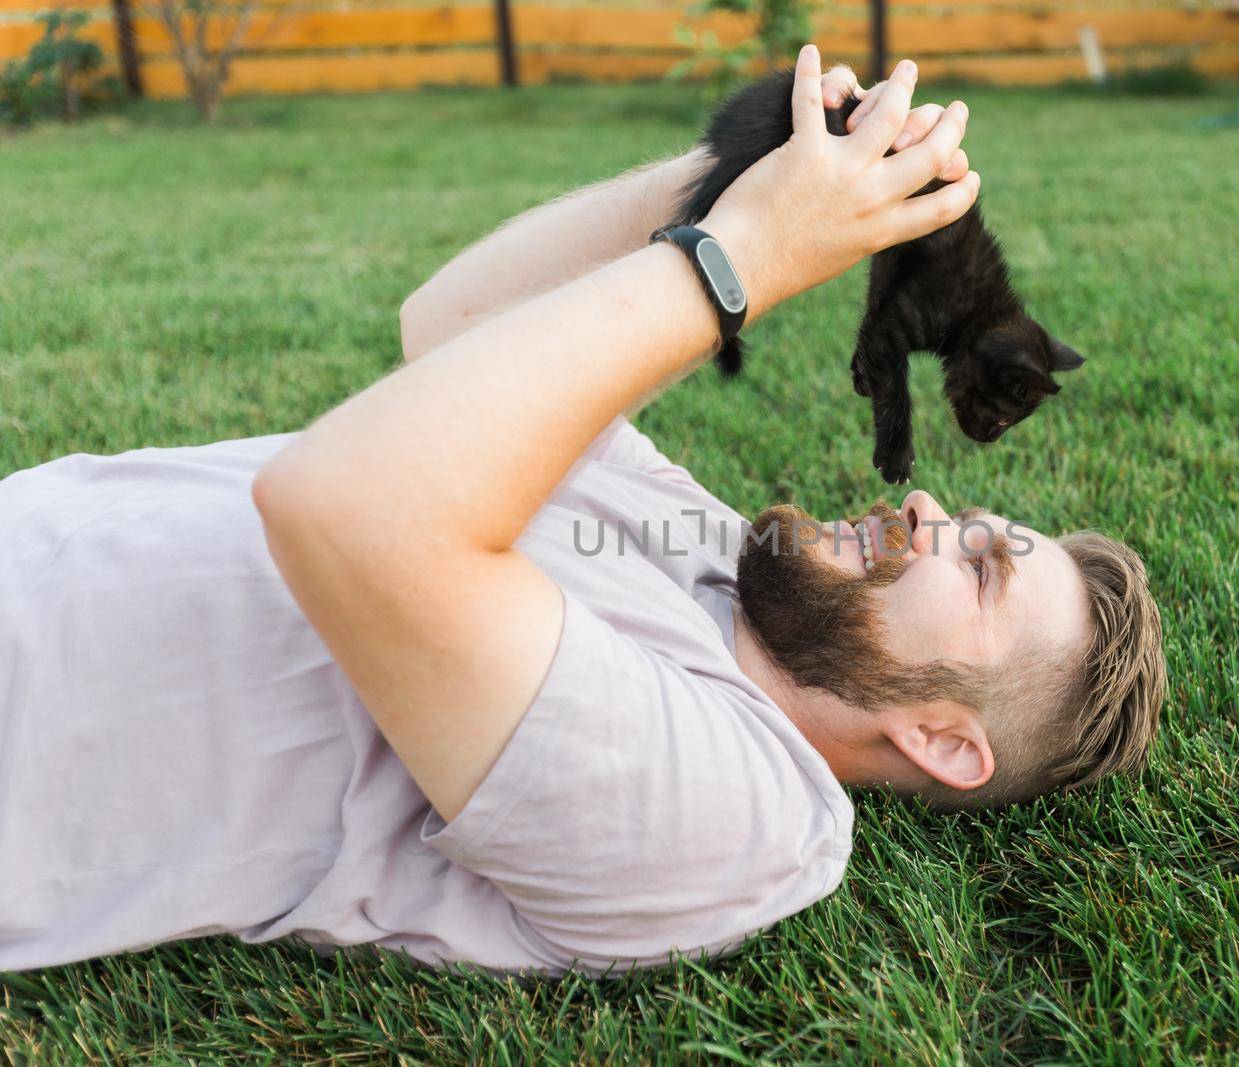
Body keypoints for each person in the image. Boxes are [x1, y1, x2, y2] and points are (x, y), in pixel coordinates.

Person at [0, 50, 1166, 977]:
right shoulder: (703, 547)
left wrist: (746, 255)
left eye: (979, 566)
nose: (925, 503)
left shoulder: (746, 820)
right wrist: (743, 170)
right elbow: (449, 332)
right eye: (968, 514)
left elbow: (346, 510)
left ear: (943, 741)